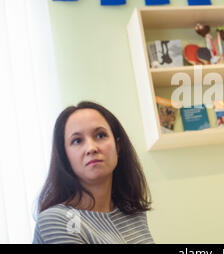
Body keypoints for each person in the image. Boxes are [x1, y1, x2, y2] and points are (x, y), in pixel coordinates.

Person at [33, 101, 154, 244]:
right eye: (77, 141)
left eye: (100, 135)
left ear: (118, 146)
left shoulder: (133, 212)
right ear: (65, 157)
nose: (91, 148)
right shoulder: (57, 219)